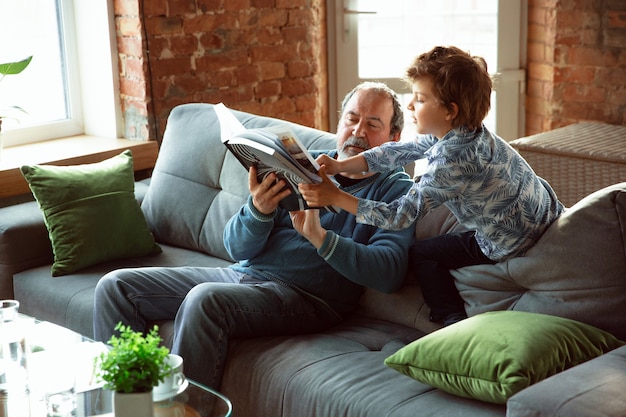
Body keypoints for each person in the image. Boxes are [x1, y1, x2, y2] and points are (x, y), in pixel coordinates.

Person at [93, 81, 417, 389]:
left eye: (373, 124)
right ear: (339, 122)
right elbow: (236, 247)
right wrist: (258, 209)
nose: (358, 131)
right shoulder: (305, 160)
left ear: (394, 135)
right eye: (352, 118)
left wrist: (321, 238)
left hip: (307, 297)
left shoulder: (394, 189)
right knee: (116, 287)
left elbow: (388, 272)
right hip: (242, 274)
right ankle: (130, 401)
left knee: (205, 300)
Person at [299, 46, 566, 326]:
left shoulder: (449, 163)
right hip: (546, 209)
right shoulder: (464, 131)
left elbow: (397, 216)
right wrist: (341, 166)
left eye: (420, 99)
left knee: (423, 255)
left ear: (450, 110)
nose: (410, 106)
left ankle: (449, 318)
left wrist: (336, 197)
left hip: (511, 240)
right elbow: (395, 152)